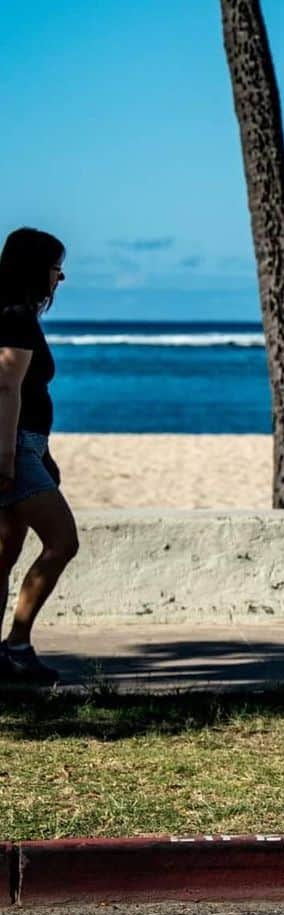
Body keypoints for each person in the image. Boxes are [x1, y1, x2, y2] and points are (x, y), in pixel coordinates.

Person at [0, 227, 79, 685]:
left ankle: (6, 652)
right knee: (62, 541)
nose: (60, 278)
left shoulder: (12, 313)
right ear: (35, 269)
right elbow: (6, 386)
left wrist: (41, 454)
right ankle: (18, 645)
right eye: (56, 268)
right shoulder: (15, 317)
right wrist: (10, 460)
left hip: (25, 445)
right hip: (13, 445)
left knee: (5, 551)